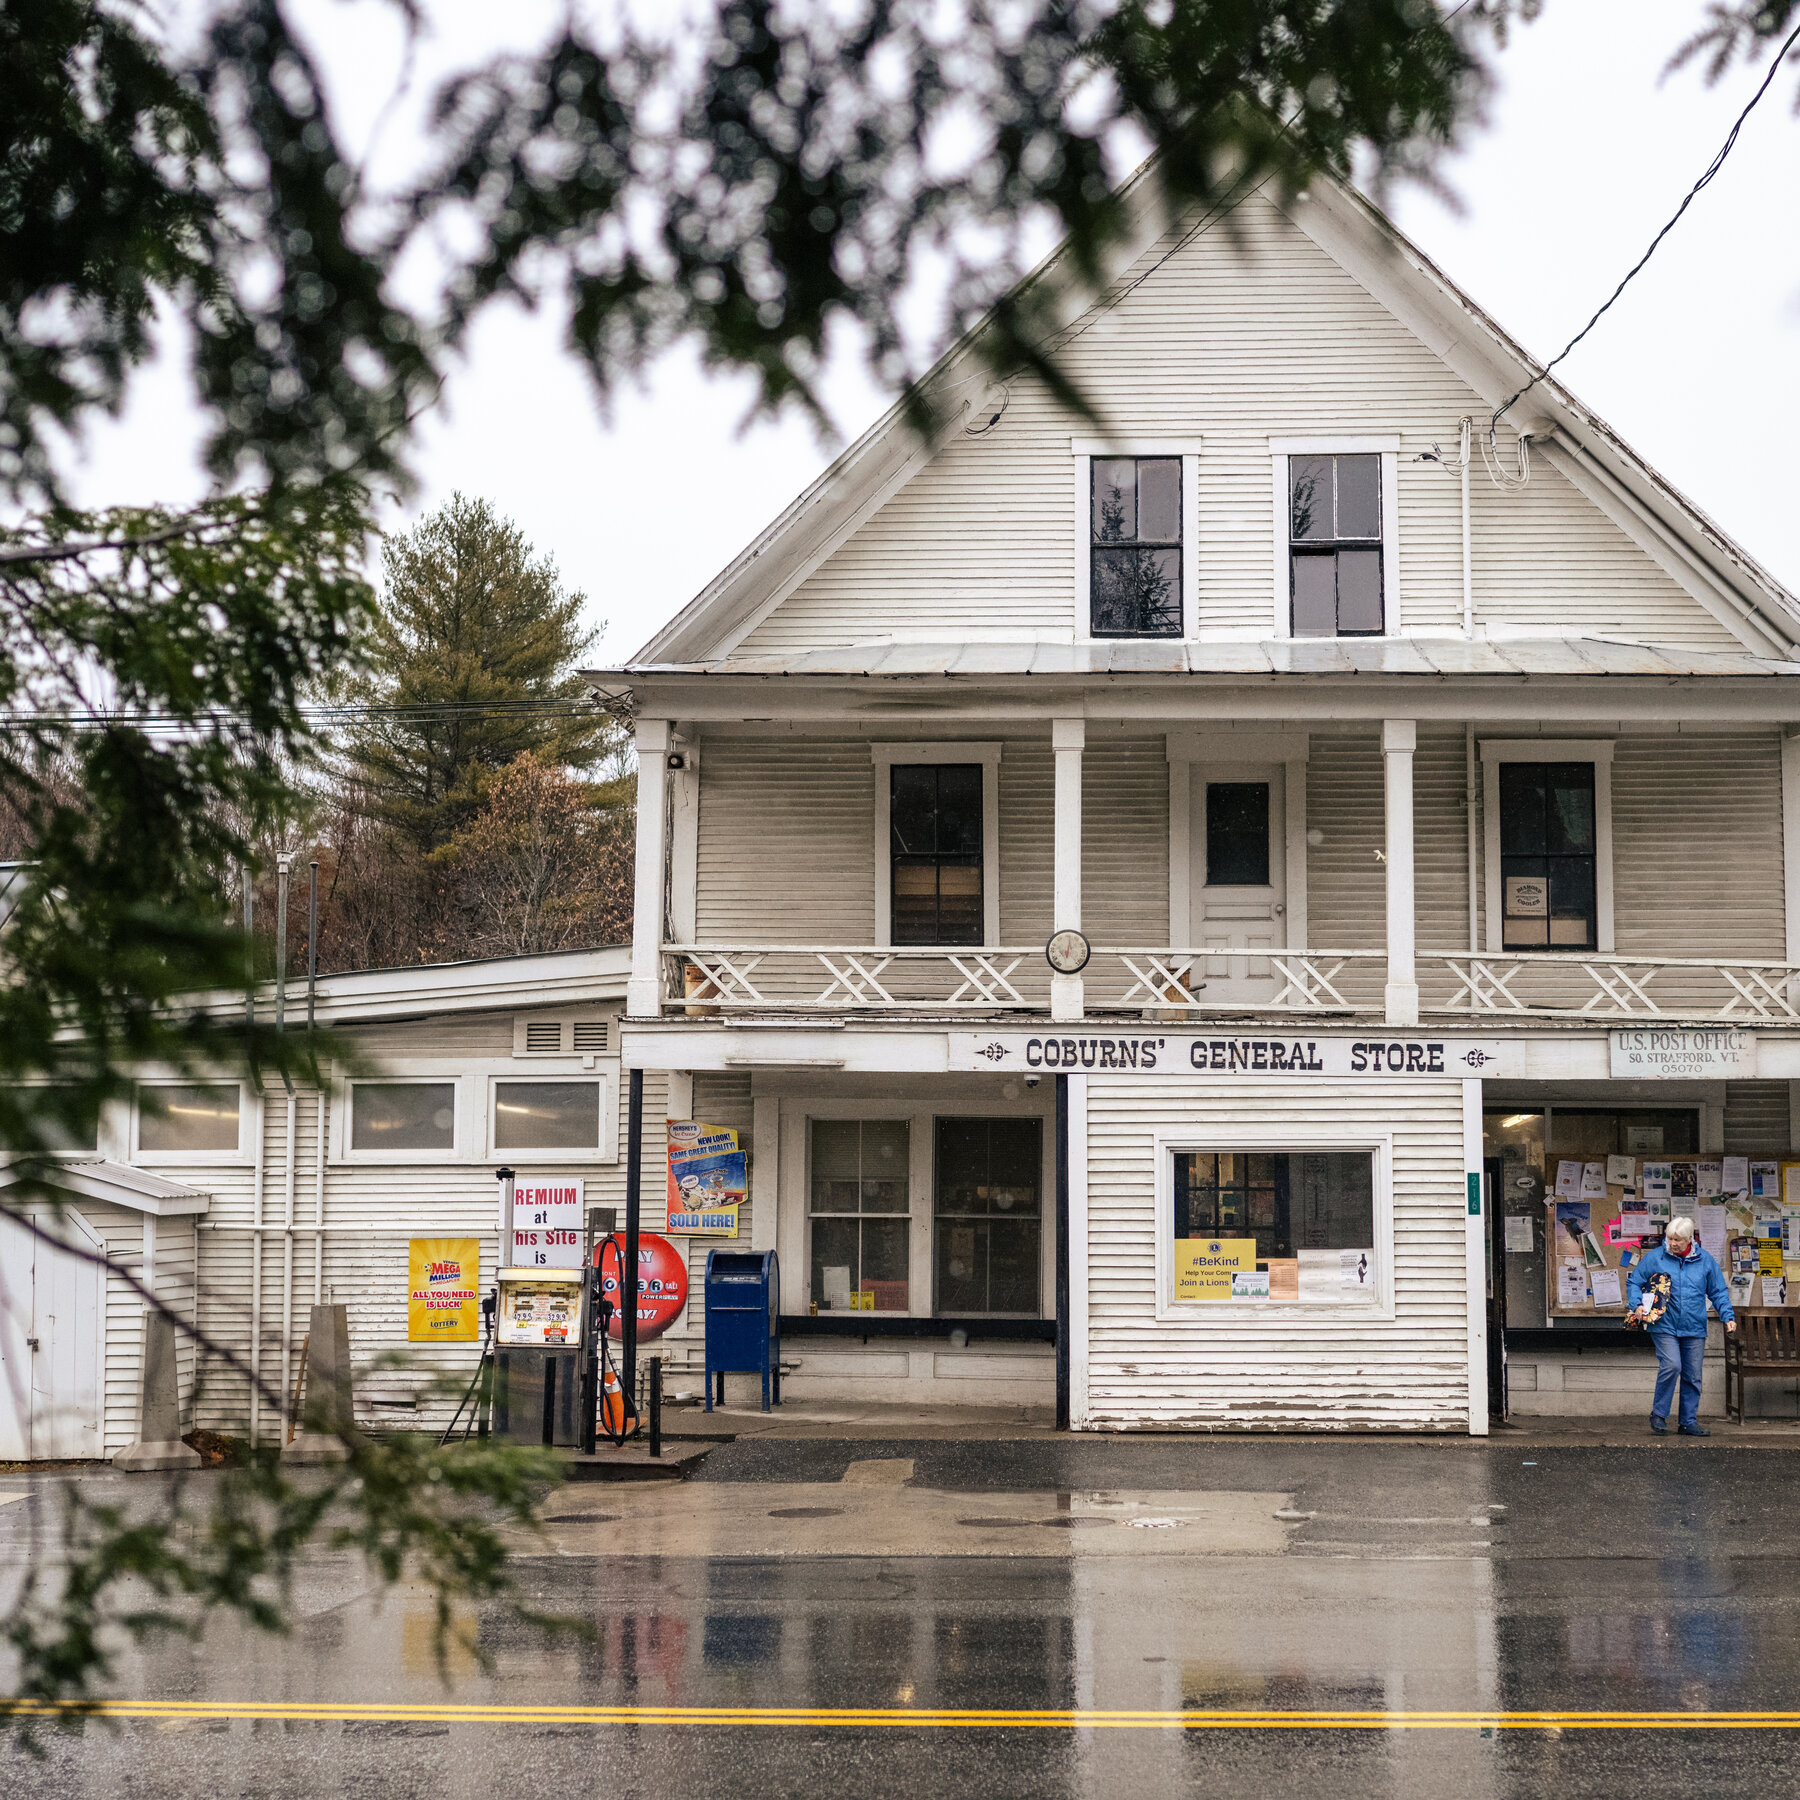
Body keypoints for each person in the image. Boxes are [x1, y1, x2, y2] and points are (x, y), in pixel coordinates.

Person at [1626, 1216, 1736, 1437]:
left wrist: (1727, 1316)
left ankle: (1687, 1422)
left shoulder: (1705, 1261)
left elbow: (1718, 1291)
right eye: (1669, 1238)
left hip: (1694, 1326)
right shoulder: (1655, 1258)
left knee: (1693, 1375)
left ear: (1689, 1239)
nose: (1672, 1243)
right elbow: (1634, 1281)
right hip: (1663, 1324)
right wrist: (1636, 1304)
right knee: (1673, 1365)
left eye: (1677, 1240)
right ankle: (1658, 1414)